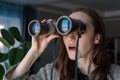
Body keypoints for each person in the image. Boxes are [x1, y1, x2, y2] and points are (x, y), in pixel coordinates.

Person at [4, 7, 120, 80]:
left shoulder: (116, 74)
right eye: (67, 30)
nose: (70, 37)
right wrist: (34, 52)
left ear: (96, 37)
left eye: (79, 29)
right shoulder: (51, 73)